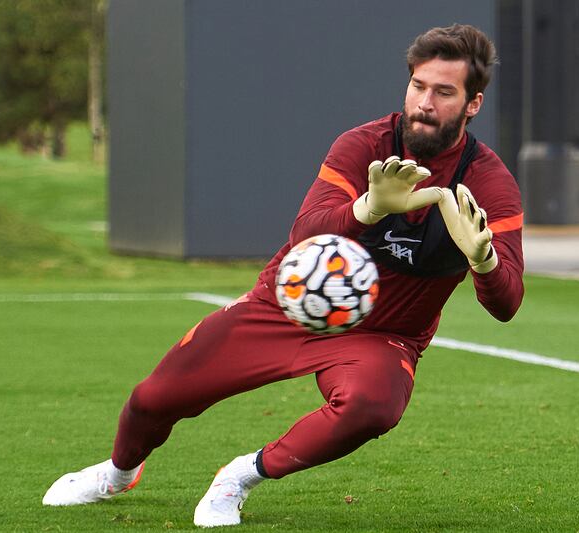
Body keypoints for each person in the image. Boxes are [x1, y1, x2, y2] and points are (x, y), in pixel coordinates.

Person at [42, 23, 524, 528]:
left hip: (385, 335)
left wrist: (484, 262)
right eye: (418, 86)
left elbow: (507, 303)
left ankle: (239, 476)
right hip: (285, 306)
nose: (425, 102)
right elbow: (304, 233)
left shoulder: (488, 182)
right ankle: (117, 474)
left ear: (473, 104)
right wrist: (367, 208)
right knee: (153, 399)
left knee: (373, 406)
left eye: (444, 92)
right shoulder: (363, 145)